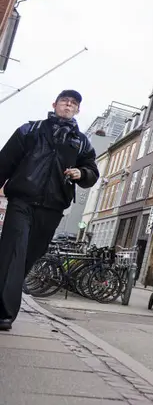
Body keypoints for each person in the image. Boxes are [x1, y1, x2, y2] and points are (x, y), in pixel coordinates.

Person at [0, 90, 98, 331]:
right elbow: (4, 162)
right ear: (55, 104)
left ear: (78, 110)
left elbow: (92, 172)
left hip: (53, 208)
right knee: (13, 252)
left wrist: (81, 173)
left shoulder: (81, 142)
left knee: (29, 256)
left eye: (73, 103)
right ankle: (4, 313)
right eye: (65, 101)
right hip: (22, 201)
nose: (68, 105)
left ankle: (4, 295)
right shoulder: (30, 130)